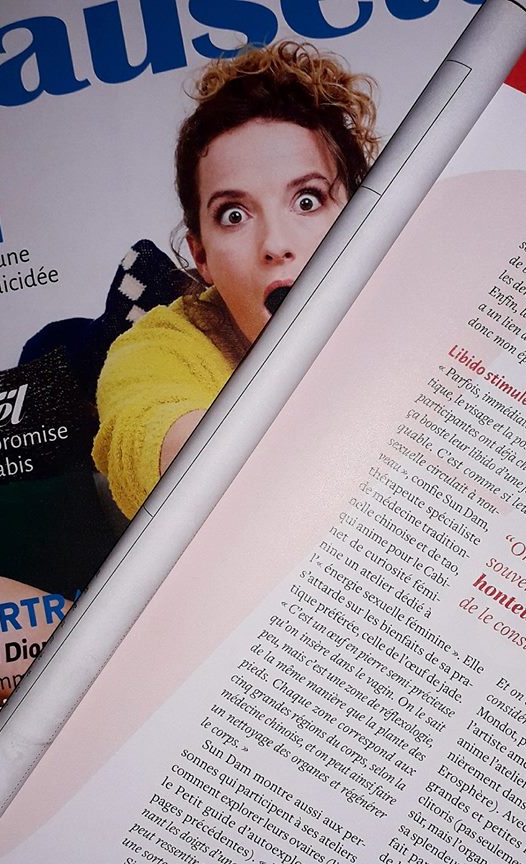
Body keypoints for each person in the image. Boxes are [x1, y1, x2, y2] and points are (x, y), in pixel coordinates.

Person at [92, 41, 380, 518]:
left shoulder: (425, 303)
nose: (275, 244)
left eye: (307, 200)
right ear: (201, 256)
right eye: (234, 215)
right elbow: (144, 436)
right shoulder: (160, 348)